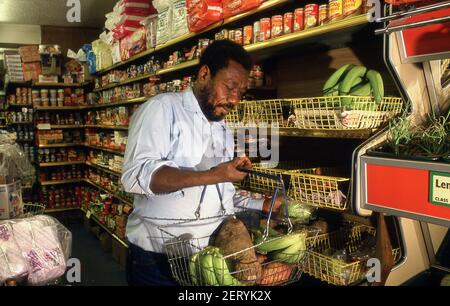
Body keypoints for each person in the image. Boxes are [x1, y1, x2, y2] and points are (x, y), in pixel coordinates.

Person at [121, 40, 281, 286]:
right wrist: (215, 174)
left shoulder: (222, 128)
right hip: (158, 259)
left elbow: (220, 197)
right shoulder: (162, 109)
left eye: (241, 92)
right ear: (204, 74)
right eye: (229, 87)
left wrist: (261, 203)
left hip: (205, 258)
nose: (235, 99)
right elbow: (135, 177)